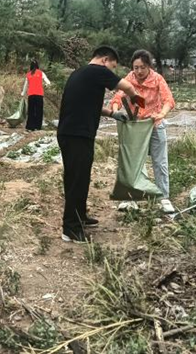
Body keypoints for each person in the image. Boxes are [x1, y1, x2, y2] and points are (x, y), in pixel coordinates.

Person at [57, 46, 144, 243]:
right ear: (105, 60)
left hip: (72, 133)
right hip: (77, 135)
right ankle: (71, 229)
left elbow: (90, 105)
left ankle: (80, 216)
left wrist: (113, 114)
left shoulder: (80, 73)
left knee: (79, 178)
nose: (111, 72)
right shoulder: (97, 71)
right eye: (112, 67)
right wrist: (137, 101)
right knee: (77, 180)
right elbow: (128, 87)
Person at [110, 49, 176, 213]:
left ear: (149, 66)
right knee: (134, 162)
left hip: (154, 124)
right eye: (136, 67)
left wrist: (161, 114)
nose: (139, 71)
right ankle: (131, 198)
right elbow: (117, 97)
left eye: (142, 67)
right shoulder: (129, 79)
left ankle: (163, 198)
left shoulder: (157, 79)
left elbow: (168, 100)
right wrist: (116, 111)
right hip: (136, 126)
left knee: (160, 162)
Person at [21, 59, 51, 131]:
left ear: (30, 66)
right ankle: (38, 126)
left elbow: (25, 86)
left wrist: (23, 93)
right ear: (37, 65)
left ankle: (30, 127)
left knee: (31, 111)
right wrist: (45, 85)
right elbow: (48, 82)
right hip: (39, 95)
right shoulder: (41, 73)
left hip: (31, 95)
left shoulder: (28, 74)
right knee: (39, 111)